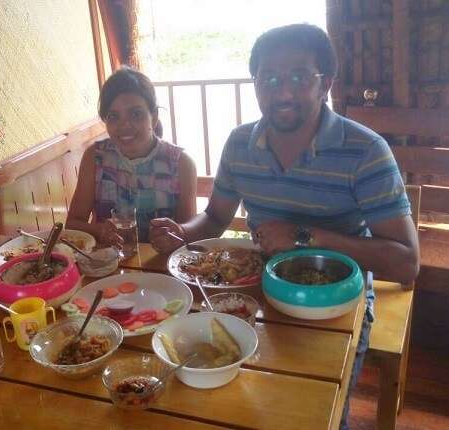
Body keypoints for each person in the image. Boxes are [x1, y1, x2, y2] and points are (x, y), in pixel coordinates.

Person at [149, 24, 419, 429]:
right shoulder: (240, 144)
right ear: (256, 84)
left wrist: (305, 236)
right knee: (215, 403)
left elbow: (406, 264)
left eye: (298, 77)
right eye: (269, 79)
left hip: (334, 302)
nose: (283, 92)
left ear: (325, 83)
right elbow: (216, 217)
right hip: (255, 291)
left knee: (314, 412)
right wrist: (181, 232)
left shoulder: (365, 151)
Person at [66, 67, 197, 245]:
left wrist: (174, 236)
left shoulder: (181, 163)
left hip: (162, 266)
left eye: (136, 114)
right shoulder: (95, 158)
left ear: (154, 117)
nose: (124, 125)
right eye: (113, 116)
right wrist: (99, 230)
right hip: (109, 266)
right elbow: (72, 224)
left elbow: (187, 234)